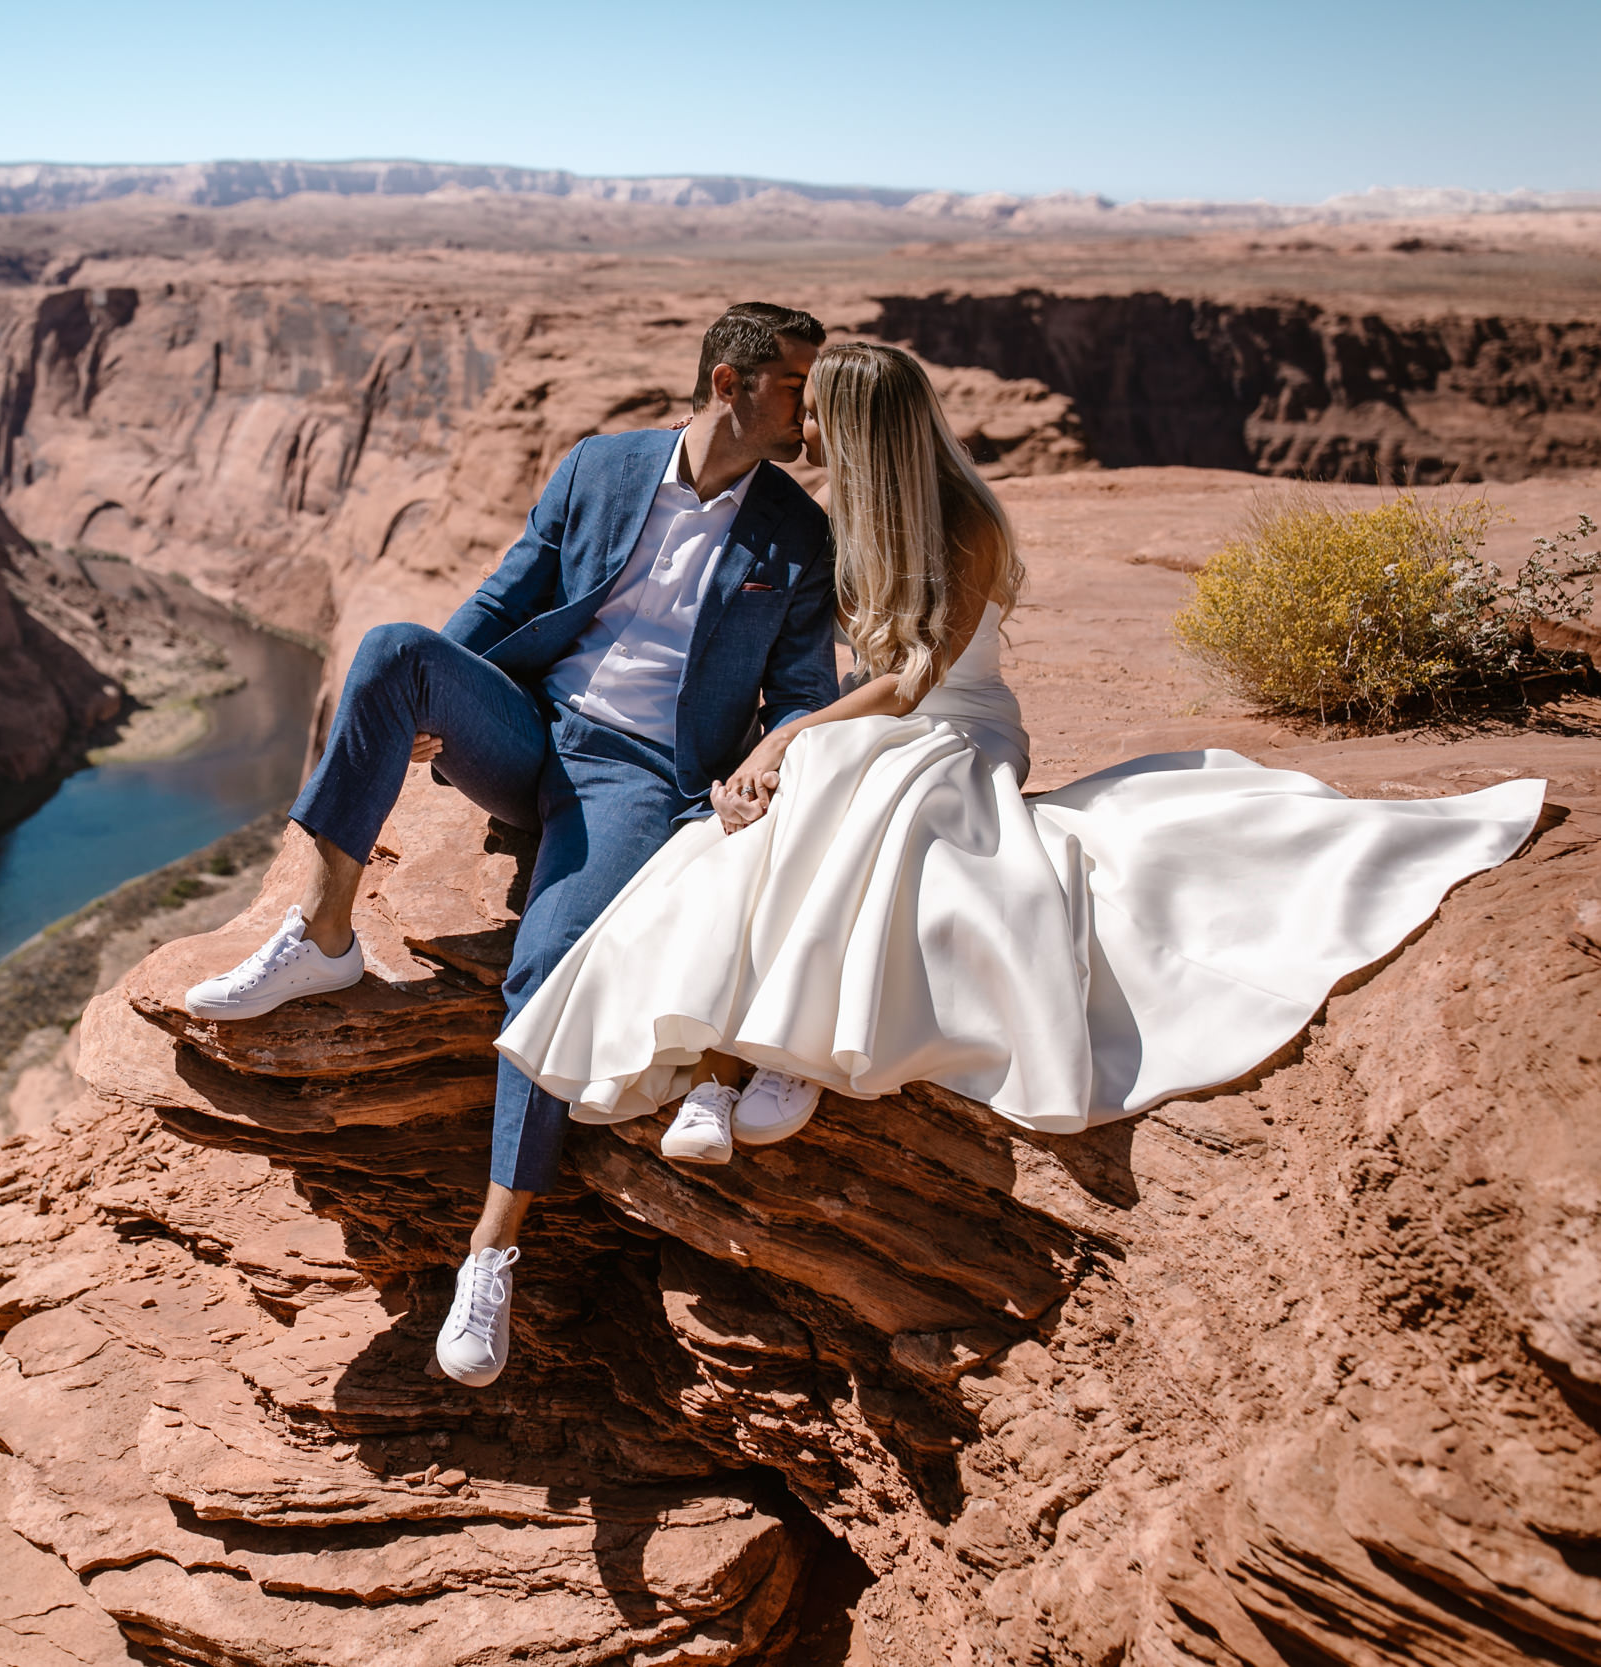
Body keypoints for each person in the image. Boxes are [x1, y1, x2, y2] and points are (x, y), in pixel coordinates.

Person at [497, 343, 1546, 1193]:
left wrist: (785, 738)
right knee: (755, 824)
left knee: (852, 789)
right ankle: (714, 1061)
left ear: (865, 429)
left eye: (821, 417)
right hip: (878, 721)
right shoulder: (849, 519)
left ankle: (789, 1052)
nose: (802, 431)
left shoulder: (964, 523)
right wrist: (768, 748)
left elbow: (912, 680)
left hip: (957, 727)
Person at [183, 303, 841, 1386]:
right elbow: (508, 593)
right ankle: (324, 932)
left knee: (547, 969)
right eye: (792, 386)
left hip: (635, 777)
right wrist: (443, 688)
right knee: (395, 650)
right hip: (532, 726)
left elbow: (805, 691)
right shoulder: (600, 467)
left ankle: (491, 1249)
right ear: (729, 382)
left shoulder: (794, 535)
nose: (806, 410)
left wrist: (764, 762)